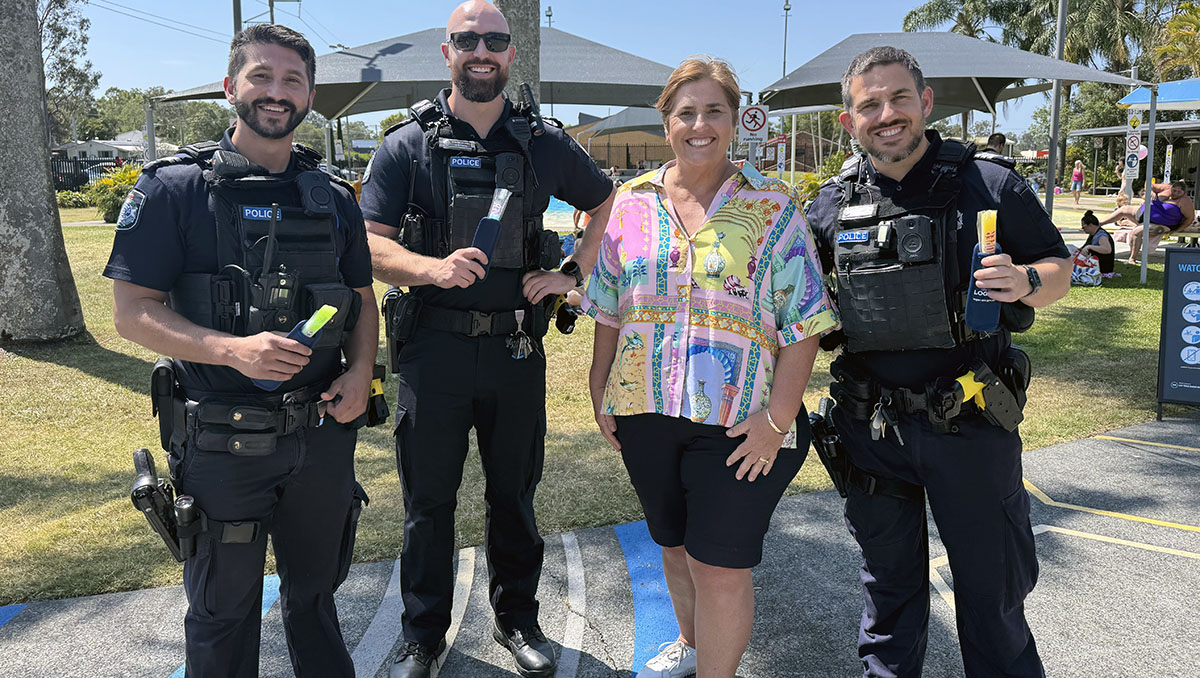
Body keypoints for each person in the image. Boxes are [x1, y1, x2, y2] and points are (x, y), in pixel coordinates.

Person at [104, 25, 377, 678]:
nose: (276, 92)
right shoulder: (174, 189)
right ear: (232, 88)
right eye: (261, 76)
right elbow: (132, 312)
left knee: (315, 598)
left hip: (320, 436)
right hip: (223, 446)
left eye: (292, 80)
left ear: (309, 94)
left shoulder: (333, 197)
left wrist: (363, 371)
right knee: (223, 614)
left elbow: (362, 301)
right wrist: (232, 351)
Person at [358, 3, 616, 677]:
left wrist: (570, 274)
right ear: (446, 52)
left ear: (508, 54)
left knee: (513, 496)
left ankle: (517, 620)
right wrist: (430, 269)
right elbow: (365, 245)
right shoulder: (404, 145)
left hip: (513, 352)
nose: (481, 50)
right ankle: (423, 635)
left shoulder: (544, 143)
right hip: (430, 353)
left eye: (494, 41)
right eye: (467, 40)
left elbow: (607, 203)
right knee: (427, 503)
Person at [805, 46, 1070, 678]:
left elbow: (1059, 268)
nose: (886, 114)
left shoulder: (991, 184)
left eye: (899, 98)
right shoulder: (827, 208)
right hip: (870, 433)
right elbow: (802, 310)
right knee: (890, 598)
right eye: (869, 104)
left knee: (992, 595)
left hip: (971, 426)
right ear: (849, 122)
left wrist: (1026, 278)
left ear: (925, 103)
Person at [585, 57, 839, 678]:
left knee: (719, 568)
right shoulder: (631, 203)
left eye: (714, 111)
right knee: (673, 546)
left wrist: (777, 424)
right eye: (685, 113)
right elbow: (610, 305)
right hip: (644, 409)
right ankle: (692, 647)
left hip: (740, 421)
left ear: (734, 120)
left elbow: (805, 323)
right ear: (665, 121)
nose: (700, 125)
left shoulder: (771, 207)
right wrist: (599, 388)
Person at [1100, 180, 1194, 263]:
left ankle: (1132, 258)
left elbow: (1190, 219)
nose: (1175, 193)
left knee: (1136, 232)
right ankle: (1099, 224)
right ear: (1171, 188)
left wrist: (1178, 230)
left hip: (1162, 223)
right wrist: (1152, 192)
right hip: (1144, 213)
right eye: (1174, 190)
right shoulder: (1167, 189)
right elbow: (1150, 184)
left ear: (1184, 192)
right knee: (1123, 209)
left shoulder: (1185, 202)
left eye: (1179, 192)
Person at [1078, 209, 1115, 275]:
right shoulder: (1093, 235)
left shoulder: (1101, 235)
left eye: (1084, 227)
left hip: (1103, 268)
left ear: (1091, 225)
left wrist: (1089, 247)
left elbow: (1107, 249)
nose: (1083, 229)